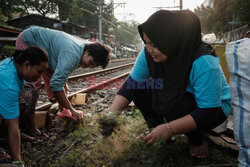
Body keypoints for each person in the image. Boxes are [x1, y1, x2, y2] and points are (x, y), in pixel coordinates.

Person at [109, 10, 231, 158]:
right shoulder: (148, 53)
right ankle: (157, 132)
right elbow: (131, 85)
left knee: (176, 102)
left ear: (170, 40)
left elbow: (208, 110)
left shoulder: (203, 60)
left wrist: (170, 128)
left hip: (214, 108)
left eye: (154, 44)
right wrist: (111, 116)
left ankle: (197, 140)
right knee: (140, 89)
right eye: (146, 43)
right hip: (178, 97)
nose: (149, 49)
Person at [16, 26, 110, 139]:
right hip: (29, 40)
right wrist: (72, 109)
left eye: (93, 66)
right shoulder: (73, 54)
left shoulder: (84, 49)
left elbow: (60, 78)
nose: (89, 66)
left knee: (63, 89)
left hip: (48, 56)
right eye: (91, 62)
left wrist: (62, 97)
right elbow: (55, 85)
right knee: (33, 86)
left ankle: (63, 114)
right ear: (87, 52)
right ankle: (28, 126)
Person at [0, 47, 48, 165]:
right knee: (13, 122)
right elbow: (13, 124)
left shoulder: (13, 63)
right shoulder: (9, 84)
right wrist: (17, 160)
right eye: (39, 71)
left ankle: (6, 135)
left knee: (28, 94)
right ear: (27, 64)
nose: (40, 77)